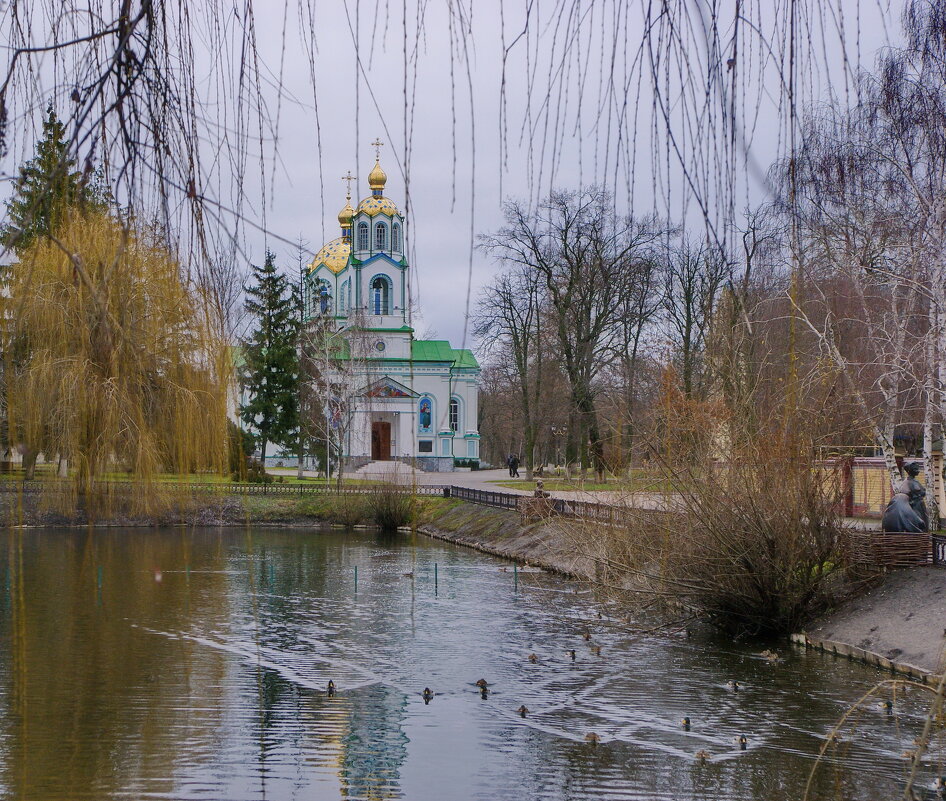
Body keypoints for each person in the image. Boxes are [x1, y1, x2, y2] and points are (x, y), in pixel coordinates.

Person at [881, 462, 928, 533]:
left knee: (925, 524)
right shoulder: (906, 483)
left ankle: (924, 538)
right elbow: (903, 497)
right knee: (918, 523)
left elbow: (922, 492)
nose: (918, 471)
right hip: (913, 508)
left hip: (920, 506)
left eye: (918, 469)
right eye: (915, 469)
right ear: (909, 470)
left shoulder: (916, 481)